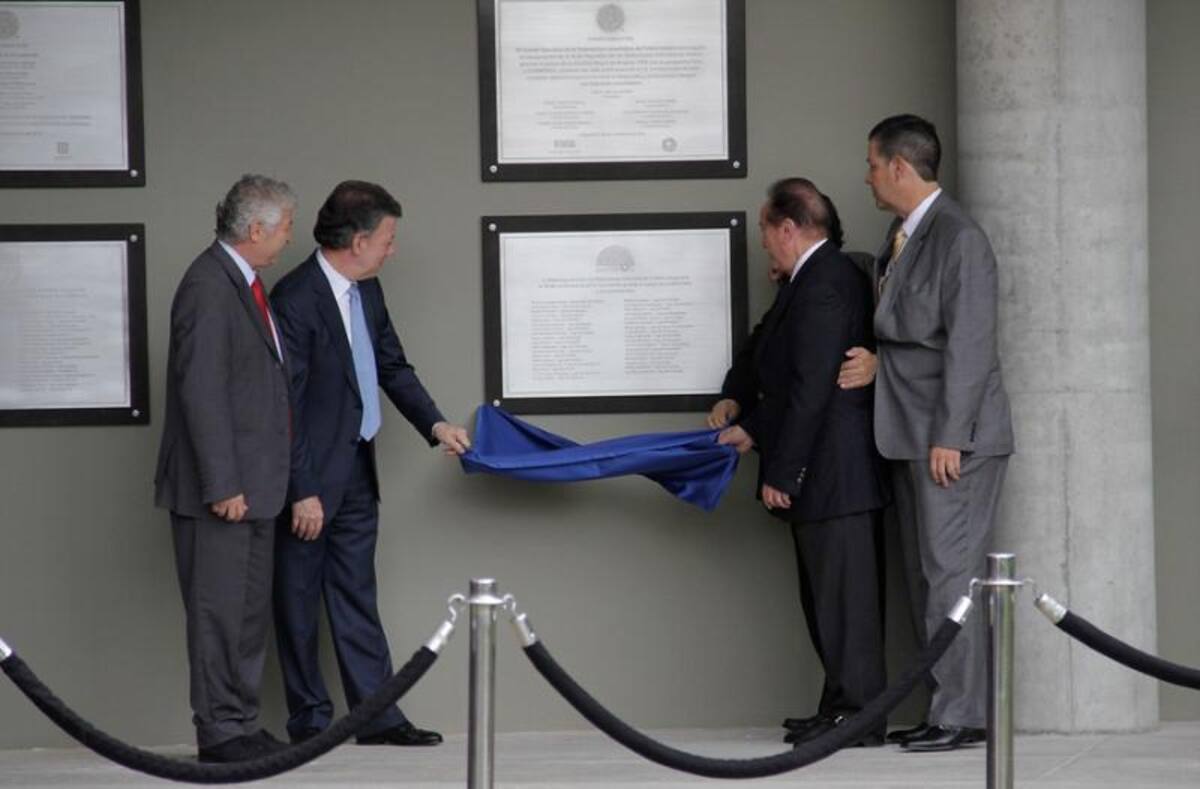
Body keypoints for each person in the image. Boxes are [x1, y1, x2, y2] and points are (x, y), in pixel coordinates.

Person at [269, 180, 470, 746]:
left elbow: (392, 367)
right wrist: (301, 489)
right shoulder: (293, 299)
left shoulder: (369, 291)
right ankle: (310, 724)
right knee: (299, 601)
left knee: (357, 593)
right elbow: (285, 406)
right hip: (308, 481)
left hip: (358, 468)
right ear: (357, 240)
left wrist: (436, 424)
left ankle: (377, 718)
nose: (392, 249)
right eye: (388, 238)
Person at [841, 114, 1015, 751]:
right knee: (932, 577)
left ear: (898, 167)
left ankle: (964, 716)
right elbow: (922, 336)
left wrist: (952, 435)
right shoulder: (903, 232)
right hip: (912, 433)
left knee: (951, 577)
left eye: (870, 164)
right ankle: (949, 707)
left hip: (950, 441)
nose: (865, 177)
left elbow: (970, 345)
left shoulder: (958, 237)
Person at [711, 179, 890, 747]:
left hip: (834, 474)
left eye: (766, 232)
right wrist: (737, 398)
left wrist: (782, 472)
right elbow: (768, 351)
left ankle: (858, 716)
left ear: (788, 228)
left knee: (845, 606)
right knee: (827, 602)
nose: (765, 245)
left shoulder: (825, 282)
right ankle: (839, 707)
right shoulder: (806, 279)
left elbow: (812, 388)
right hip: (826, 474)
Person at [154, 174, 296, 762]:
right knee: (217, 615)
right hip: (225, 492)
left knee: (243, 615)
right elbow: (202, 393)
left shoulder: (243, 283)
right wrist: (224, 484)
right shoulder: (208, 287)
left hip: (257, 487)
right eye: (286, 226)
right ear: (256, 228)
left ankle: (238, 721)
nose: (290, 237)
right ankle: (218, 731)